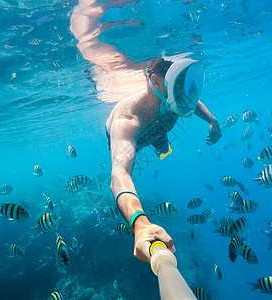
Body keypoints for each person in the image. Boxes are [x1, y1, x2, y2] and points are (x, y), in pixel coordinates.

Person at [70, 0, 222, 263]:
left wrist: (213, 121)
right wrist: (139, 224)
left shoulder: (174, 95)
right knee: (148, 143)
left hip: (157, 127)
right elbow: (119, 176)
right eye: (179, 81)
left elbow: (189, 99)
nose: (185, 89)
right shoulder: (127, 120)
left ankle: (161, 145)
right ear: (154, 79)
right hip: (137, 136)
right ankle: (159, 144)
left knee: (162, 142)